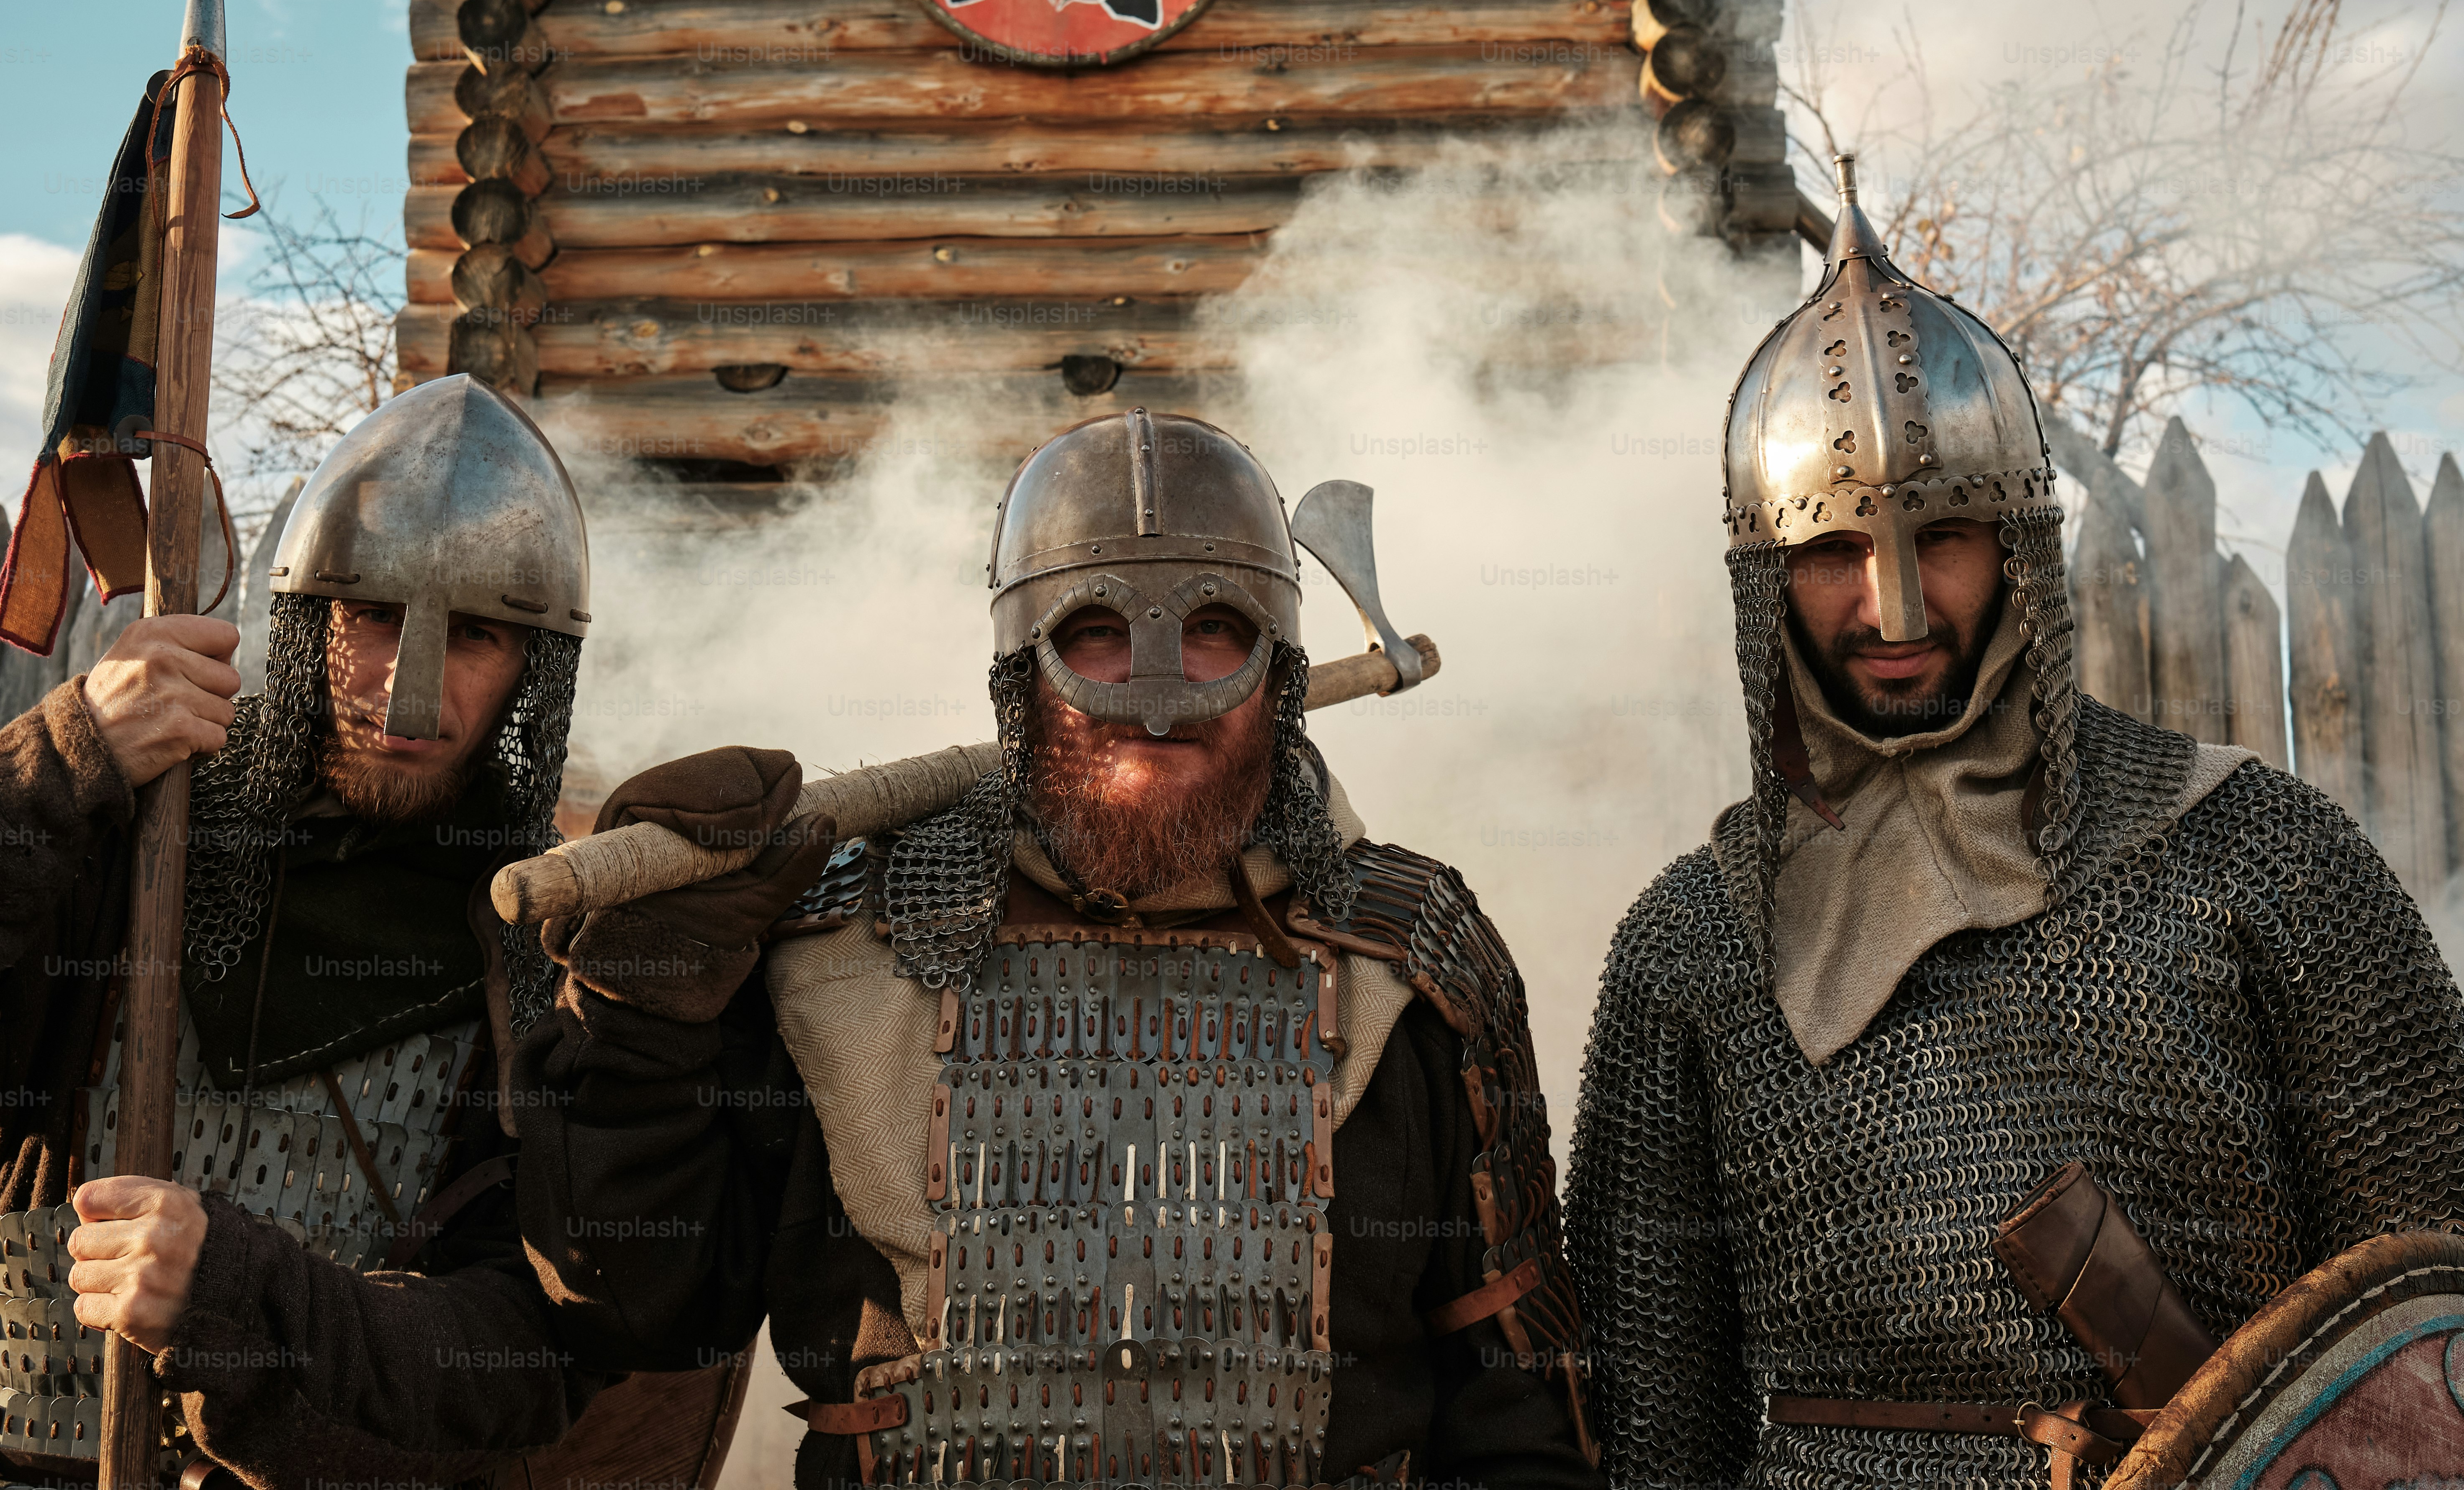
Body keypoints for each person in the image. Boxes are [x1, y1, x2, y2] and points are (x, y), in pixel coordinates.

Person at [1567, 157, 2464, 1487]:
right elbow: (1656, 1420)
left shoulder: (2260, 857)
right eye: (1830, 553)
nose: (1895, 611)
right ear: (1764, 582)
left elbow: (2433, 1312)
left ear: (2020, 546)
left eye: (1942, 538)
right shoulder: (1694, 943)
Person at [513, 408, 1597, 1488]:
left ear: (1280, 669)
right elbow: (636, 1311)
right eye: (1098, 632)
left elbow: (1517, 1409)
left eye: (1214, 625)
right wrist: (639, 1017)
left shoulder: (1406, 958)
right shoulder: (840, 948)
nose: (1158, 693)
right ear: (1020, 671)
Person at [0, 374, 604, 1486]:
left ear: (531, 675)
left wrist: (246, 1297)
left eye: (476, 636)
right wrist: (40, 779)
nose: (406, 686)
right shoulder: (127, 836)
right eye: (377, 617)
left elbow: (533, 1359)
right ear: (308, 620)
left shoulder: (544, 937)